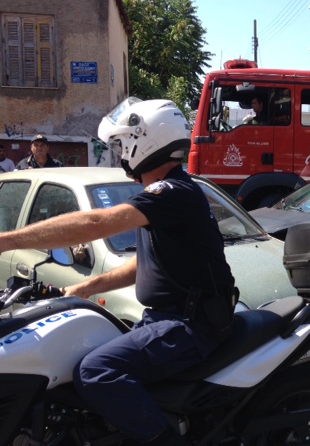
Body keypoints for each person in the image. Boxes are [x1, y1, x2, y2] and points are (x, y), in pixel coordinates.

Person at [0, 98, 237, 445]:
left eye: (124, 144)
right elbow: (148, 264)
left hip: (189, 326)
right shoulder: (168, 195)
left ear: (147, 142)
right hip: (165, 319)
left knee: (96, 371)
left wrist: (5, 240)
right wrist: (87, 288)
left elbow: (94, 222)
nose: (122, 153)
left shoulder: (171, 191)